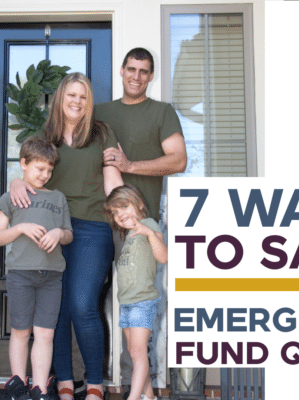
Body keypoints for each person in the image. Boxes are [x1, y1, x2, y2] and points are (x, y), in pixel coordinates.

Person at [9, 72, 124, 400]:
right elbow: (28, 173)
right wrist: (17, 182)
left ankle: (95, 384)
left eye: (83, 96)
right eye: (71, 95)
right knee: (54, 308)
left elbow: (112, 180)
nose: (77, 101)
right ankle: (62, 382)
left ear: (89, 102)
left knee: (83, 302)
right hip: (50, 228)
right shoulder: (44, 134)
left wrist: (127, 218)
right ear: (60, 99)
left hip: (91, 228)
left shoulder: (102, 133)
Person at [94, 47, 187, 398]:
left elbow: (178, 160)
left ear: (151, 75)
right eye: (131, 69)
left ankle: (136, 388)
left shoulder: (161, 112)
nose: (136, 76)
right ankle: (134, 390)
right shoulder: (100, 112)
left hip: (139, 224)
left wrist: (130, 165)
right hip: (95, 220)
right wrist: (19, 181)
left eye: (144, 71)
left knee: (139, 305)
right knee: (90, 301)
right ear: (121, 70)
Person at [0, 137, 73, 400]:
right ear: (23, 164)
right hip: (21, 274)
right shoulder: (11, 197)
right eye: (39, 169)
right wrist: (20, 228)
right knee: (20, 330)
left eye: (49, 170)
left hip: (52, 276)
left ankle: (40, 388)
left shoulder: (58, 198)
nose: (45, 175)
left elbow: (68, 234)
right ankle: (18, 385)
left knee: (45, 332)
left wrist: (58, 233)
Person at [103, 185, 167, 400]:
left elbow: (163, 256)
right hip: (127, 302)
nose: (120, 214)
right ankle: (149, 396)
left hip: (142, 301)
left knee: (138, 355)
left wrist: (149, 233)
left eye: (124, 206)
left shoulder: (148, 225)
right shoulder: (128, 235)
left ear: (139, 204)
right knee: (134, 353)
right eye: (115, 212)